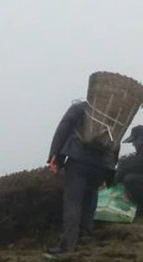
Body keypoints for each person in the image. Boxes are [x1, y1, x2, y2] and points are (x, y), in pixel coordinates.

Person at [46, 101, 118, 254]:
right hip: (102, 164)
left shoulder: (80, 108)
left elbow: (63, 128)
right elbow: (116, 140)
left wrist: (55, 157)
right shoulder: (113, 115)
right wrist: (111, 168)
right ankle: (85, 238)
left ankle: (68, 244)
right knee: (90, 197)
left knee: (73, 201)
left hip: (79, 159)